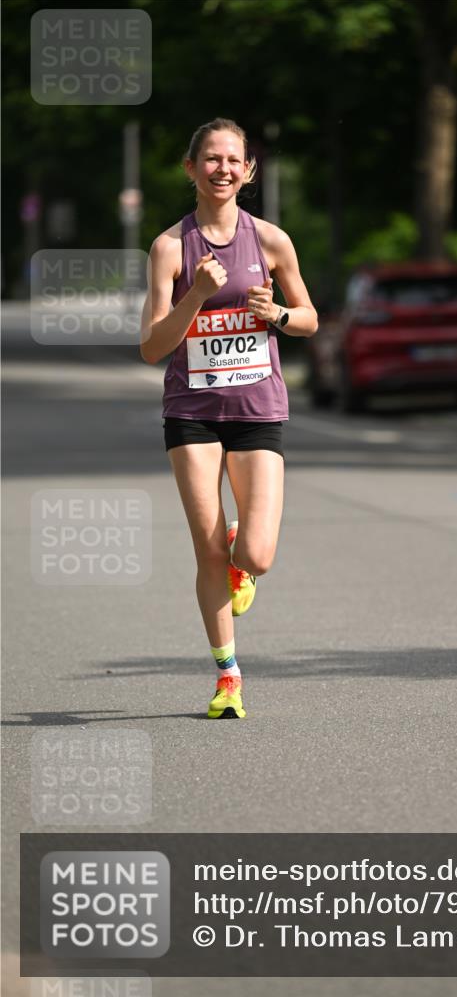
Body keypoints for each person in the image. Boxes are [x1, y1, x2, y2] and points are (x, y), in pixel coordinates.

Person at [140, 117, 318, 718]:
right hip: (191, 411)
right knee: (208, 551)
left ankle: (242, 557)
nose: (222, 168)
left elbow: (311, 318)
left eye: (232, 159)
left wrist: (278, 317)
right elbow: (150, 346)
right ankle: (228, 678)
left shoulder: (271, 241)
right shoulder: (170, 248)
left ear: (248, 171)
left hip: (257, 408)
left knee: (256, 555)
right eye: (210, 159)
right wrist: (194, 294)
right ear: (191, 169)